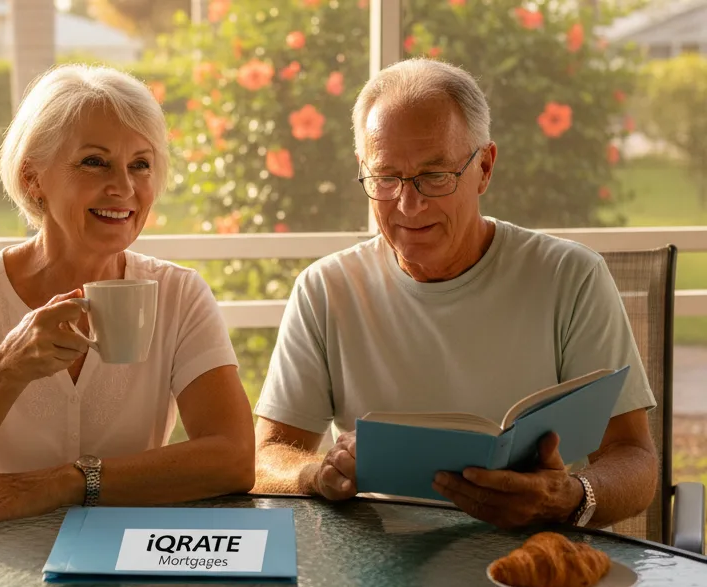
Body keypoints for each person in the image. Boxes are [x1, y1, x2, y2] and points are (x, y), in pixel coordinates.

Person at [252, 58, 658, 530]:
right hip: (377, 570)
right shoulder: (326, 288)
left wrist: (569, 496)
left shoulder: (570, 276)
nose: (408, 204)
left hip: (527, 565)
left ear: (484, 167)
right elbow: (266, 456)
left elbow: (634, 460)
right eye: (386, 178)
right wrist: (313, 473)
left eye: (434, 175)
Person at [0, 65, 255, 530]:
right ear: (33, 179)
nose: (125, 188)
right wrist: (5, 370)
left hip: (127, 568)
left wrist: (67, 482)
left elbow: (234, 460)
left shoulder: (180, 294)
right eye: (95, 162)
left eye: (141, 164)